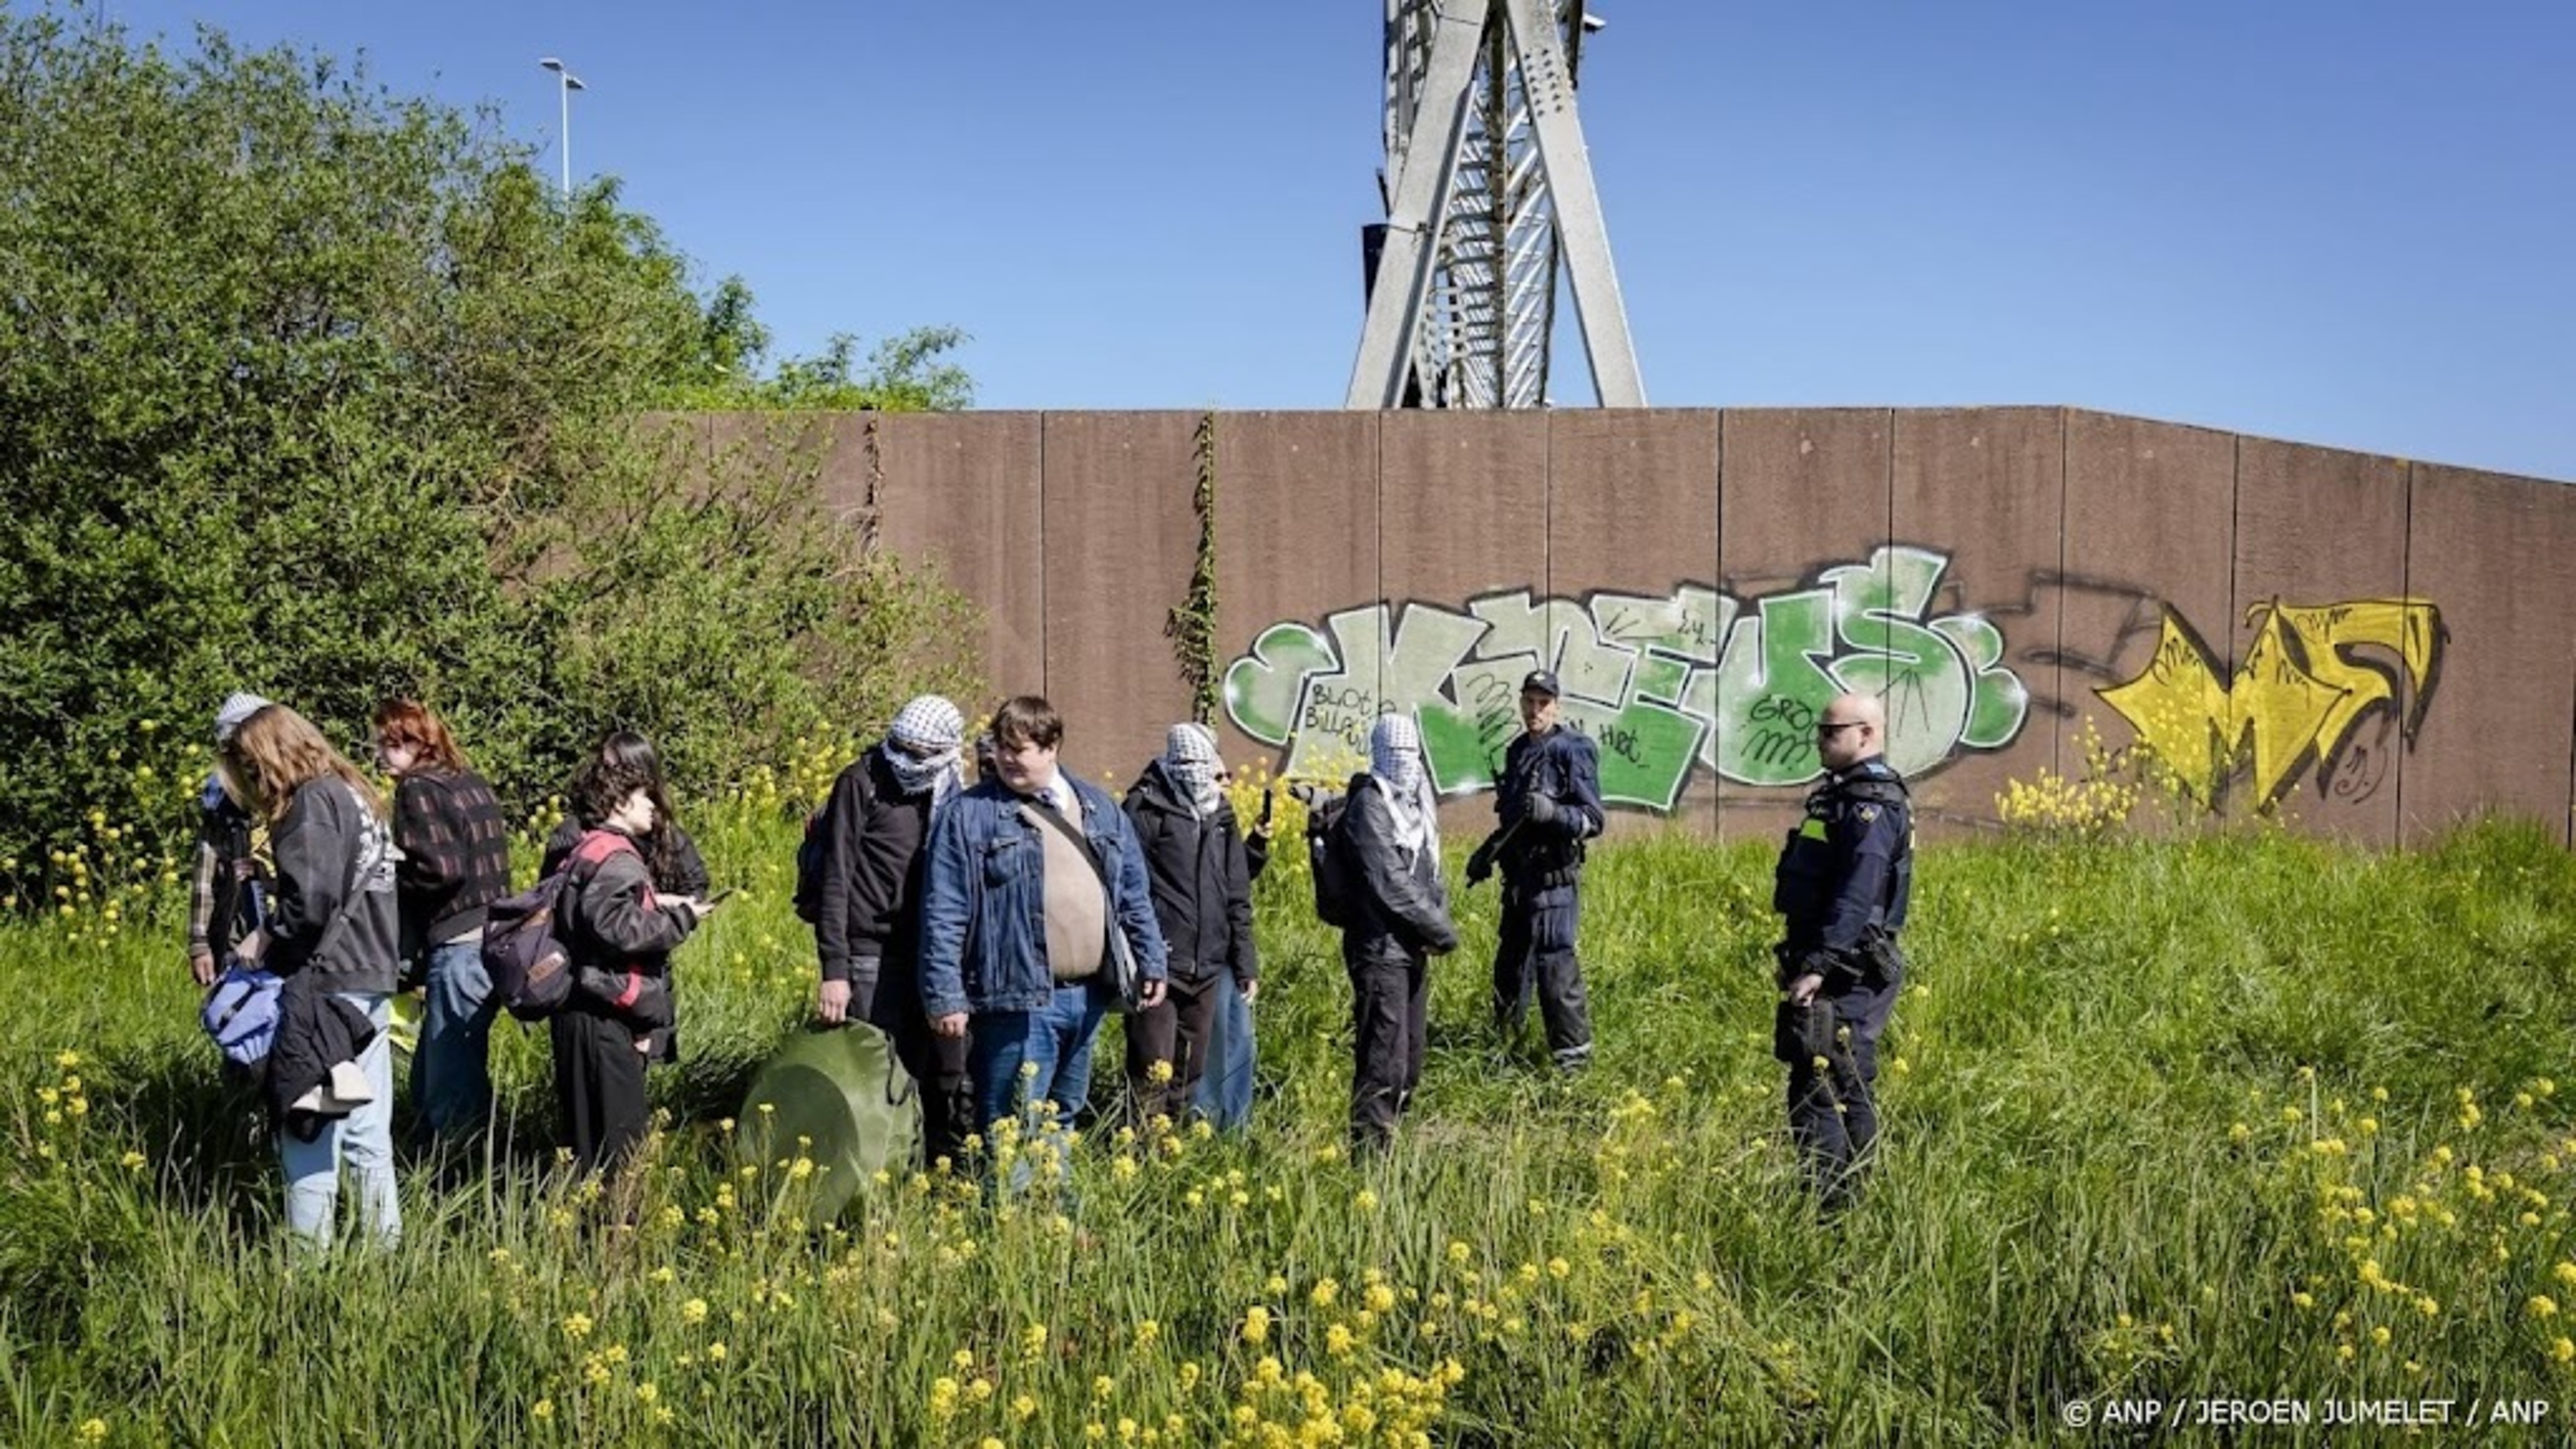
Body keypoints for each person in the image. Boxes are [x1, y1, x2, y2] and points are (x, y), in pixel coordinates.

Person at [917, 696, 1169, 1179]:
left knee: (1062, 1115)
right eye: (1002, 748)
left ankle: (1057, 1222)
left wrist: (1151, 958)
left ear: (1052, 746)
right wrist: (945, 994)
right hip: (1017, 997)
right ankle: (1013, 1230)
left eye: (1021, 749)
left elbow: (1133, 891)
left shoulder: (1097, 806)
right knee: (1012, 1119)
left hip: (1087, 995)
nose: (1007, 760)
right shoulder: (970, 815)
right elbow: (944, 910)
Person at [220, 704, 405, 1250]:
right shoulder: (354, 794)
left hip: (325, 984)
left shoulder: (310, 803)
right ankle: (387, 1257)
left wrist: (266, 934)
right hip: (370, 975)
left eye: (252, 768)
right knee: (367, 1131)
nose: (255, 782)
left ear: (271, 754)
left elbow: (313, 905)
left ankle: (309, 1271)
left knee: (305, 1130)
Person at [812, 694, 974, 1170]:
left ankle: (926, 1169)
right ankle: (871, 1173)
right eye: (899, 747)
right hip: (869, 952)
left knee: (937, 1070)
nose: (905, 761)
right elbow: (835, 879)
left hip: (934, 954)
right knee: (875, 1070)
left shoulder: (952, 788)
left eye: (919, 754)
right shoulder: (861, 781)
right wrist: (834, 969)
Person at [1770, 691, 1913, 1214]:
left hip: (1848, 969)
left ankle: (1832, 1210)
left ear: (1867, 734)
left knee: (1825, 1083)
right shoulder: (1840, 795)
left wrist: (1818, 965)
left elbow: (1858, 892)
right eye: (1820, 730)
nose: (1821, 739)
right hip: (1828, 959)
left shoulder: (1871, 804)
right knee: (1828, 1077)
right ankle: (1838, 1202)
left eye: (1832, 732)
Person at [551, 752, 717, 1176]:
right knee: (620, 1147)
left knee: (586, 1139)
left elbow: (594, 912)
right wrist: (681, 917)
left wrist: (659, 902)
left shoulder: (588, 846)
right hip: (603, 1015)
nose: (654, 807)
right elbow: (614, 928)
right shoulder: (618, 856)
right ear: (620, 803)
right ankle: (617, 1233)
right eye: (646, 798)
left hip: (580, 1007)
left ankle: (585, 1229)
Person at [372, 699, 513, 1142]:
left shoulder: (418, 789)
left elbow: (440, 869)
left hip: (459, 945)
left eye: (387, 744)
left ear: (413, 743)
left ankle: (462, 1172)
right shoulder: (467, 779)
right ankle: (448, 1158)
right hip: (495, 936)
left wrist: (386, 874)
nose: (379, 754)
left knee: (451, 1085)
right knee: (437, 1073)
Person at [1120, 722, 1259, 1125]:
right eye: (1187, 763)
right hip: (1160, 963)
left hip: (1209, 965)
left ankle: (1173, 1151)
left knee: (1190, 1072)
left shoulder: (1220, 813)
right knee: (1151, 1068)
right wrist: (1147, 954)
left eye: (1204, 763)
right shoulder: (1144, 808)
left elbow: (1237, 892)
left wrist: (1245, 962)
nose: (1197, 772)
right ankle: (1141, 1155)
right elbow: (1130, 890)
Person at [543, 730, 709, 1065]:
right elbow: (556, 899)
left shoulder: (662, 831)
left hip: (644, 968)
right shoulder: (576, 834)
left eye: (615, 769)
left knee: (629, 1078)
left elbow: (696, 882)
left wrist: (661, 907)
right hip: (592, 981)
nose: (605, 778)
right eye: (604, 768)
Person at [1466, 669, 1604, 1071]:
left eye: (1543, 703)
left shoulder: (1572, 749)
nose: (1535, 710)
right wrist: (1487, 853)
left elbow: (1592, 820)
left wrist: (1554, 813)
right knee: (1509, 969)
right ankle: (1506, 1050)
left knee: (1555, 969)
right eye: (1529, 701)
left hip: (1554, 882)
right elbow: (1514, 821)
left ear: (1556, 706)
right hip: (1519, 883)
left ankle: (1572, 1067)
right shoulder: (1517, 751)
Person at [1340, 714, 1459, 1154]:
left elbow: (1429, 871)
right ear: (1379, 753)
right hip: (1379, 948)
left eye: (1412, 752)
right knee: (1382, 1061)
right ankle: (1370, 1160)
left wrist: (1434, 925)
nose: (1406, 761)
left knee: (1409, 1062)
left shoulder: (1414, 804)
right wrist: (1440, 929)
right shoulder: (1369, 806)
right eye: (1397, 752)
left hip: (1412, 947)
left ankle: (1394, 1147)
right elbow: (1388, 880)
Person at [186, 692, 271, 991]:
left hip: (289, 926)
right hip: (237, 922)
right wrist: (199, 942)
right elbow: (205, 870)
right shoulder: (221, 794)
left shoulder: (304, 787)